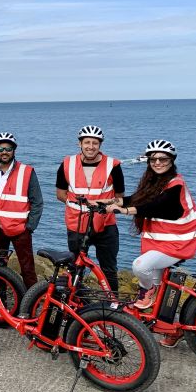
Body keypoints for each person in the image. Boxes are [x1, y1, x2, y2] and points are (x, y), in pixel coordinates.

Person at [106, 140, 196, 346]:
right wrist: (111, 202)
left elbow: (161, 207)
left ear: (172, 160)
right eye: (153, 159)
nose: (158, 162)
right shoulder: (154, 182)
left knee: (141, 266)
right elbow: (138, 199)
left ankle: (145, 294)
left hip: (178, 243)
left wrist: (126, 211)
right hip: (162, 243)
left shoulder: (175, 184)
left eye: (163, 159)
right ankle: (171, 329)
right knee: (161, 294)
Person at [56, 125, 124, 291]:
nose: (91, 146)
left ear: (100, 145)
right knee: (76, 267)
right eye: (87, 142)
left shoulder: (113, 165)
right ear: (80, 144)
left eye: (95, 143)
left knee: (109, 268)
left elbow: (120, 198)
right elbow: (60, 194)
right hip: (76, 224)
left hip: (105, 224)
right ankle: (76, 303)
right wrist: (78, 207)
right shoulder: (67, 164)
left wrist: (101, 206)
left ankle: (112, 304)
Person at [0, 132, 44, 289]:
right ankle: (0, 301)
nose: (4, 152)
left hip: (20, 228)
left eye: (8, 148)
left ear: (14, 150)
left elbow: (37, 202)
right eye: (0, 148)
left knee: (27, 268)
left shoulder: (26, 171)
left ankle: (31, 302)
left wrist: (29, 227)